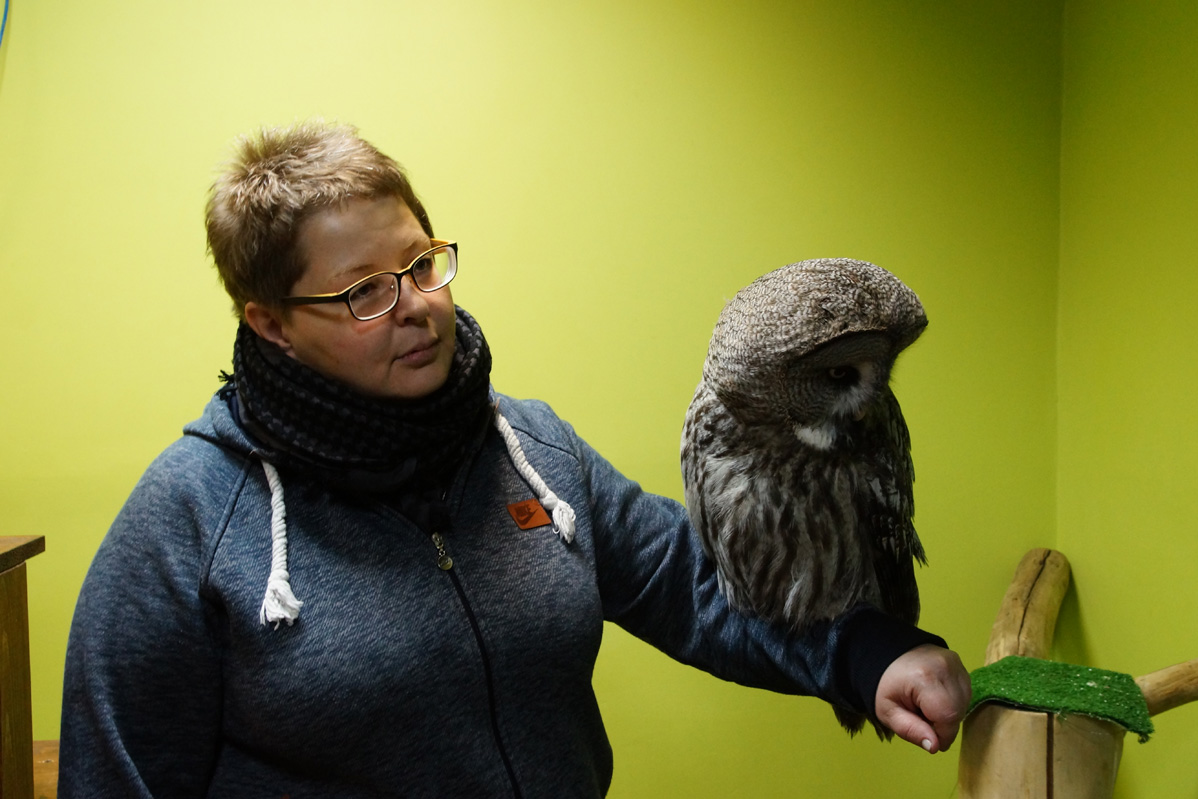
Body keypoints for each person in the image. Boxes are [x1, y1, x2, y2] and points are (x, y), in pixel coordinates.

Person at [59, 120, 971, 798]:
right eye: (365, 291)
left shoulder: (529, 448)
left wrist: (866, 651)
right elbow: (119, 778)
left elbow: (692, 585)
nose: (416, 304)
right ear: (272, 324)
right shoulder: (189, 520)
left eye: (421, 264)